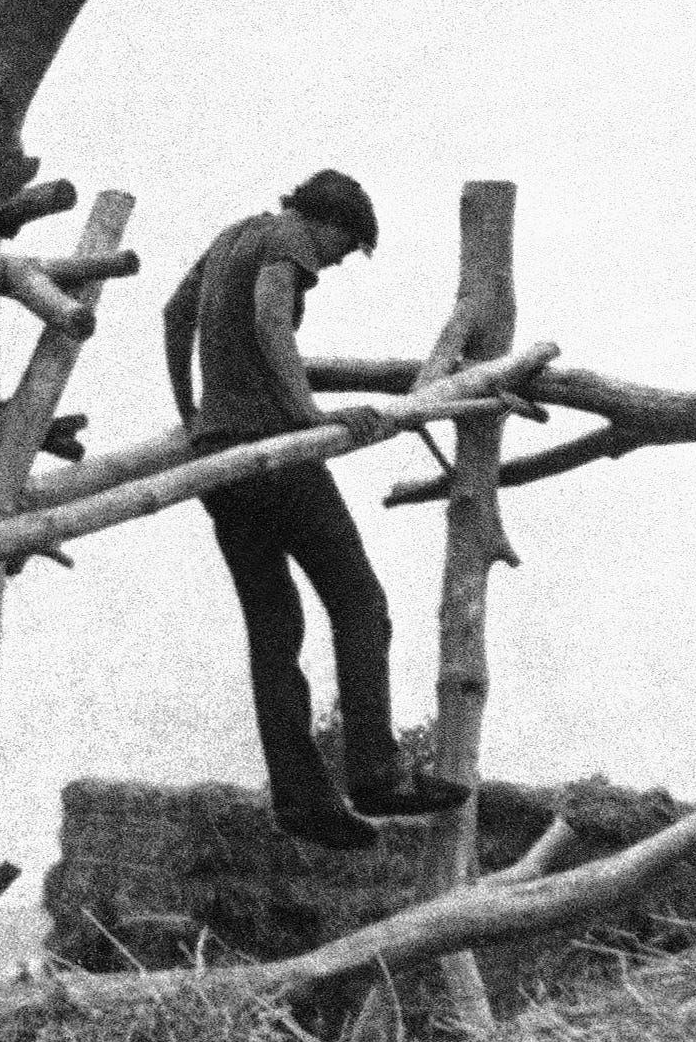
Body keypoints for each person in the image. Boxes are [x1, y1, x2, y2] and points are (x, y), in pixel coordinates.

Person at [160, 174, 471, 849]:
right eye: (342, 247)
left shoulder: (227, 239)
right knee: (360, 601)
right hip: (275, 454)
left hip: (220, 460)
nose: (330, 265)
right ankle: (375, 773)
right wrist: (308, 416)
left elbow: (171, 313)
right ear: (327, 221)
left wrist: (191, 413)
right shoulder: (284, 238)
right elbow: (273, 315)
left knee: (274, 627)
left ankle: (300, 800)